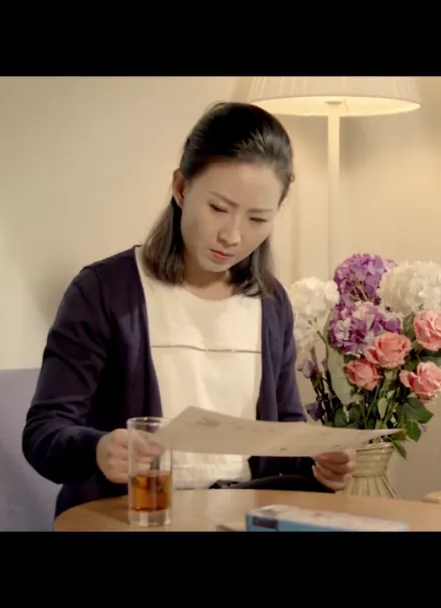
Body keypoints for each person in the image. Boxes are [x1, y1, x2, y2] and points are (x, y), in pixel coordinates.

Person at [22, 102, 355, 517]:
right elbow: (43, 434)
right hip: (135, 518)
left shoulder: (270, 303)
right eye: (218, 208)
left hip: (240, 517)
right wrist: (98, 449)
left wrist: (318, 462)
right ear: (181, 188)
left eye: (257, 219)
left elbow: (281, 435)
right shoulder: (104, 291)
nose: (232, 236)